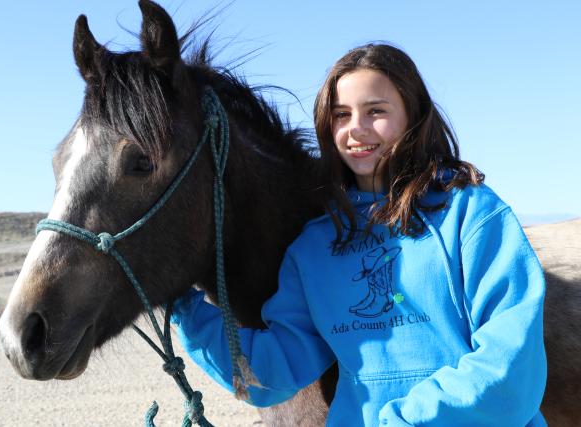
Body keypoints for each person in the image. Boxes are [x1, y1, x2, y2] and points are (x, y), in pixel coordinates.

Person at [171, 43, 547, 426]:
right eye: (341, 115)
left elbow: (511, 369)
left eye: (376, 111)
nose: (356, 128)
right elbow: (273, 375)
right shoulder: (315, 246)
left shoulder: (469, 213)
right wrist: (186, 309)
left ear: (413, 115)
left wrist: (402, 421)